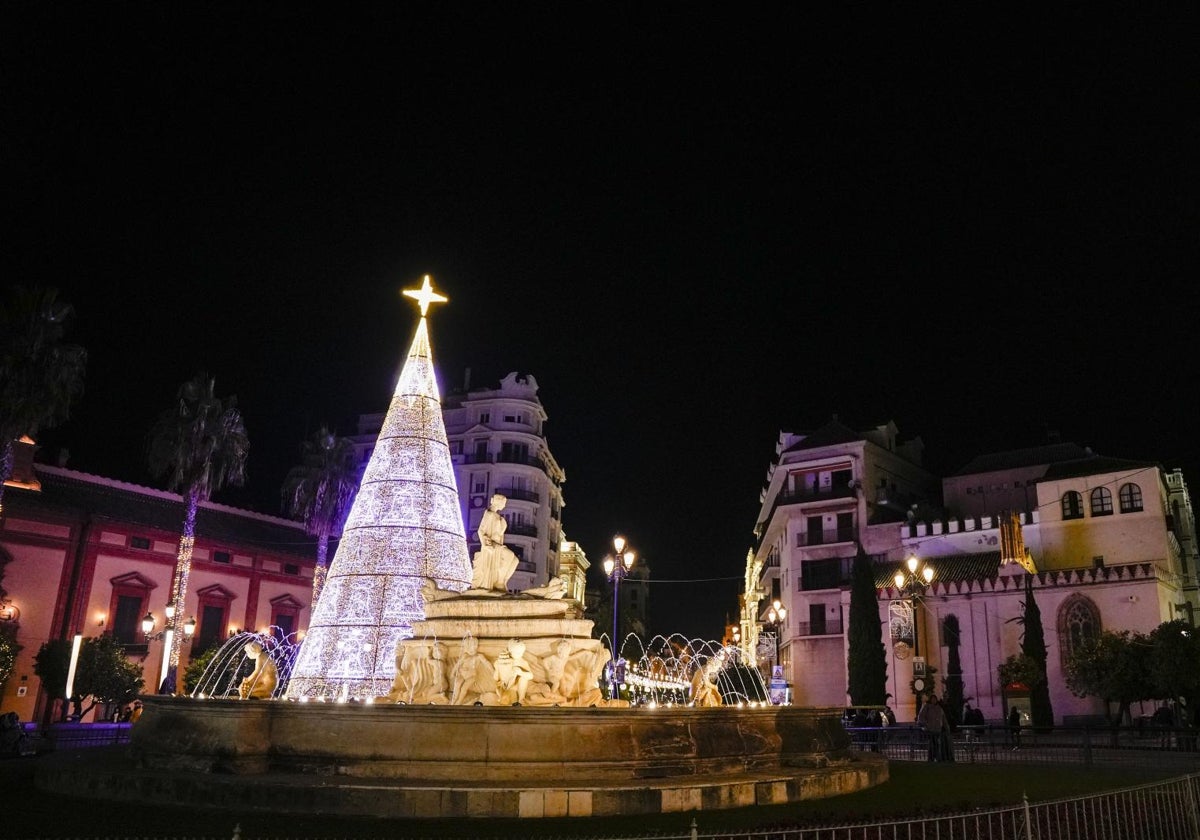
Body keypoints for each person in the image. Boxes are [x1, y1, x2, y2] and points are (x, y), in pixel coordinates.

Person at [470, 494, 521, 591]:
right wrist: (485, 545)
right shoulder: (489, 514)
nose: (504, 506)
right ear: (498, 502)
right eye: (504, 503)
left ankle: (502, 582)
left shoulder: (498, 516)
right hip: (492, 544)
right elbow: (480, 531)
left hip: (498, 544)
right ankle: (499, 582)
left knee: (515, 561)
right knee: (510, 556)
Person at [917, 694, 947, 762]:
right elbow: (921, 717)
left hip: (937, 729)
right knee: (932, 744)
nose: (934, 700)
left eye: (935, 699)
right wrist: (926, 724)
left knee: (936, 744)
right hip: (930, 729)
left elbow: (943, 718)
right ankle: (932, 758)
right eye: (932, 699)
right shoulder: (927, 707)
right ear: (930, 700)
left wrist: (943, 725)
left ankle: (935, 757)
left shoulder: (939, 708)